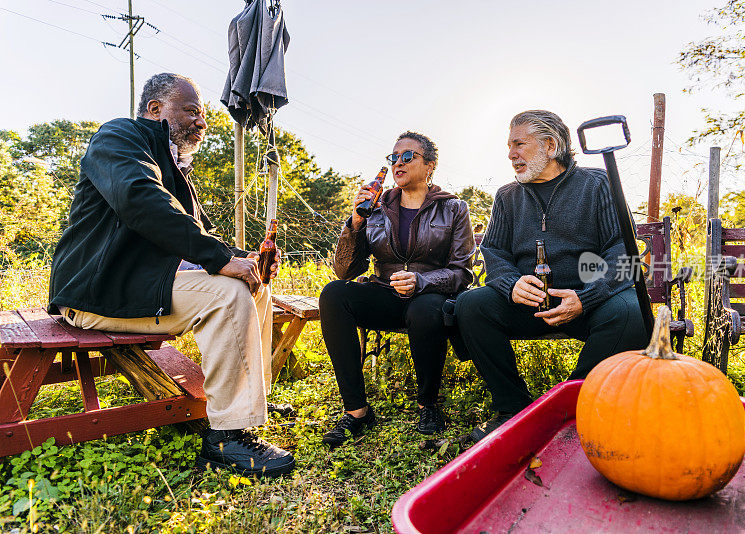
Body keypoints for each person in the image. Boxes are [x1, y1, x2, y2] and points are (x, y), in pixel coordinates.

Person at [48, 73, 294, 477]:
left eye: (203, 115)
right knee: (227, 295)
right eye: (192, 111)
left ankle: (249, 402)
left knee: (254, 285)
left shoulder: (175, 169)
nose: (202, 122)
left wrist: (243, 258)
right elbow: (140, 199)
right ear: (155, 109)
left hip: (141, 284)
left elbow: (186, 238)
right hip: (97, 289)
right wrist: (218, 258)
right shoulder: (120, 137)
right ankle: (227, 439)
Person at [455, 110, 648, 442]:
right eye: (508, 146)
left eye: (519, 144)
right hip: (531, 304)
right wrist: (510, 283)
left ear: (549, 145)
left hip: (590, 303)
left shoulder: (597, 184)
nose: (511, 154)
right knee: (471, 304)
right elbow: (495, 252)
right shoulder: (506, 196)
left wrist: (586, 298)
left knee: (633, 313)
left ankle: (567, 408)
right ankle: (512, 409)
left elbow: (622, 251)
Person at [319, 131, 475, 448]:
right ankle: (357, 410)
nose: (398, 163)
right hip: (386, 292)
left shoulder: (453, 208)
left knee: (424, 308)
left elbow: (462, 272)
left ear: (429, 165)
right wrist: (354, 225)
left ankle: (428, 405)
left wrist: (422, 281)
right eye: (394, 157)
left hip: (432, 295)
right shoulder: (376, 208)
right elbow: (346, 270)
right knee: (334, 293)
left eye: (407, 156)